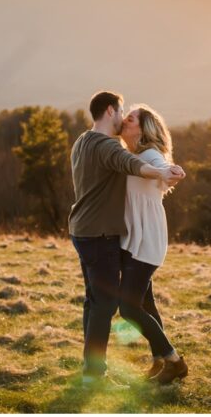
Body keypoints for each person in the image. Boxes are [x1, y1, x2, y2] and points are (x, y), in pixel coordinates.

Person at [68, 91, 185, 388]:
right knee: (108, 304)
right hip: (110, 237)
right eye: (123, 113)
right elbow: (130, 165)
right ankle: (96, 374)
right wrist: (159, 171)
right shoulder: (109, 148)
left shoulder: (85, 141)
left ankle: (165, 360)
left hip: (132, 240)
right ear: (111, 111)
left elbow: (147, 166)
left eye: (131, 118)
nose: (124, 119)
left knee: (118, 304)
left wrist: (163, 170)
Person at [119, 103, 188, 384]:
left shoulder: (150, 154)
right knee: (146, 303)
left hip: (145, 242)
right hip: (134, 239)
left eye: (131, 118)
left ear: (143, 128)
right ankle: (160, 361)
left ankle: (174, 360)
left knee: (128, 307)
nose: (125, 120)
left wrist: (171, 171)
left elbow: (162, 167)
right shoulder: (131, 156)